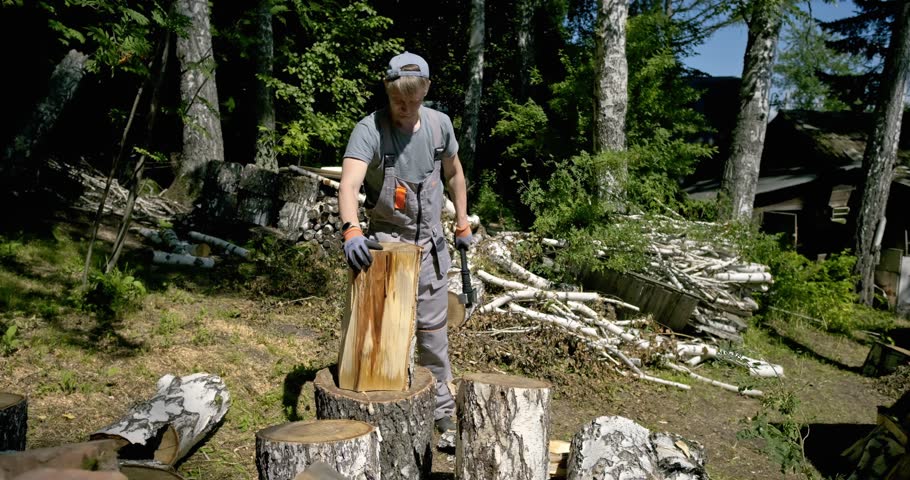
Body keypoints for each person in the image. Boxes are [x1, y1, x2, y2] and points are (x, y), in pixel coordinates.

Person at [337, 51, 472, 434]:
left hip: (430, 247)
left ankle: (441, 410)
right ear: (388, 91)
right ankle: (375, 411)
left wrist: (462, 222)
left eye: (414, 102)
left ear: (426, 91)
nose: (407, 109)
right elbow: (349, 184)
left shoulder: (439, 125)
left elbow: (455, 175)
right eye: (399, 101)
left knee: (433, 336)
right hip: (383, 248)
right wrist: (351, 230)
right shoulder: (370, 130)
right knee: (379, 332)